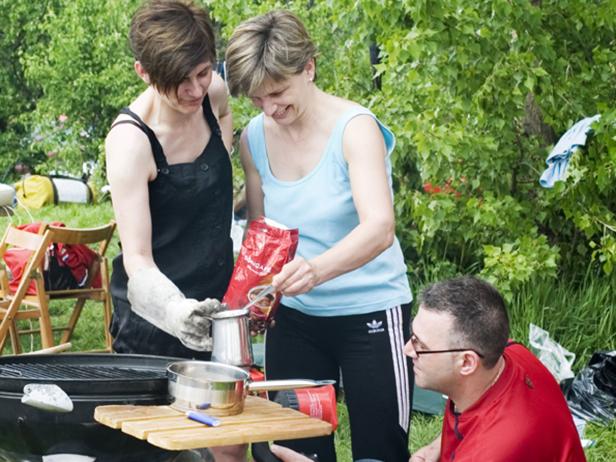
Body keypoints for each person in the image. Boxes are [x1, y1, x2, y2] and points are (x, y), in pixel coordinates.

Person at [225, 10, 413, 462]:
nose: (270, 108)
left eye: (278, 92)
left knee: (380, 450)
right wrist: (250, 297)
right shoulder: (254, 138)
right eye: (257, 99)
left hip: (370, 310)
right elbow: (261, 229)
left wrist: (316, 269)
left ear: (308, 67)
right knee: (290, 450)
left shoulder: (356, 129)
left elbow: (380, 228)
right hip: (296, 318)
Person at [105, 0, 234, 359]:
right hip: (153, 319)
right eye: (180, 81)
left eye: (202, 72)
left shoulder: (214, 94)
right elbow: (138, 259)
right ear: (143, 72)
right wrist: (177, 312)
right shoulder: (130, 143)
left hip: (219, 307)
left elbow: (223, 120)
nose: (195, 90)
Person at [408, 276, 586, 462]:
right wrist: (435, 448)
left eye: (421, 346)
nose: (408, 350)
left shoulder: (490, 452)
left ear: (467, 362)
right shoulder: (507, 353)